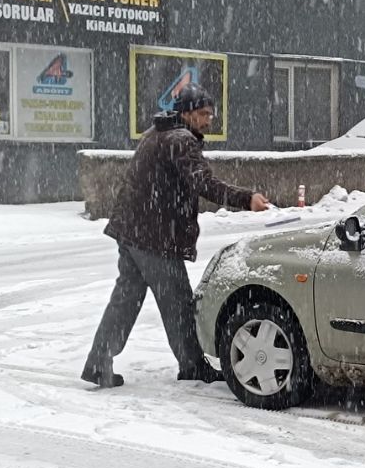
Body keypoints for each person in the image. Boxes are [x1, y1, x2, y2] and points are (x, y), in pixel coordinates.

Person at [82, 84, 270, 388]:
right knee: (179, 304)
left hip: (131, 231)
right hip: (154, 236)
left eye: (211, 113)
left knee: (125, 300)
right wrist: (246, 198)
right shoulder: (180, 140)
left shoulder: (156, 133)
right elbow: (203, 183)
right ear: (185, 113)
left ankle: (98, 362)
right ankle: (193, 365)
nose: (208, 120)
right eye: (202, 113)